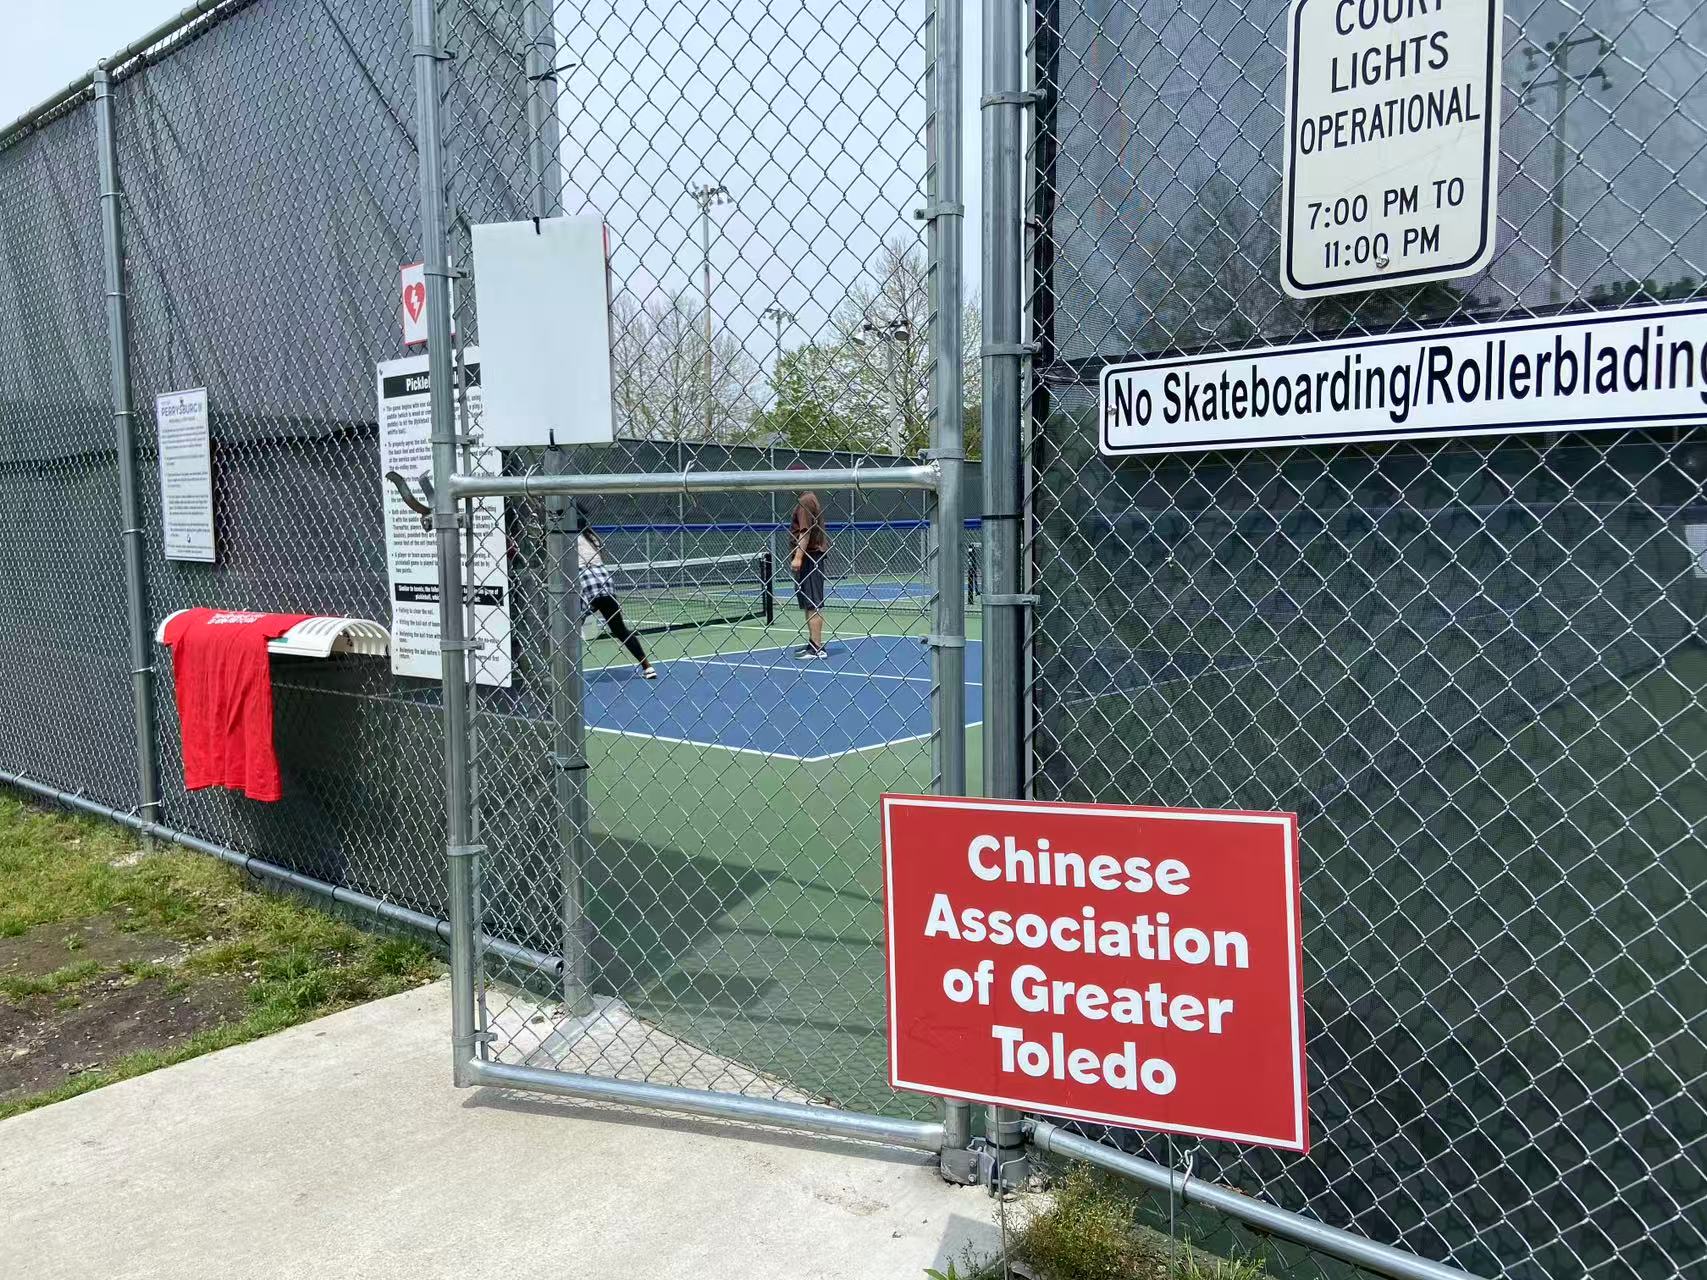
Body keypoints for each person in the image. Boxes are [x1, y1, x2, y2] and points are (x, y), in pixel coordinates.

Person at [578, 525, 656, 678]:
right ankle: (647, 667)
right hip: (605, 582)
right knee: (620, 629)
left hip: (585, 583)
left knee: (569, 628)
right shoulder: (591, 537)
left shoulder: (566, 538)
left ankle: (565, 671)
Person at [789, 491, 830, 660]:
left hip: (810, 557)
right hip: (809, 557)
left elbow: (805, 532)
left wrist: (798, 557)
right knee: (808, 602)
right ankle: (813, 643)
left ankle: (817, 647)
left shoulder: (806, 501)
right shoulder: (806, 499)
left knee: (813, 603)